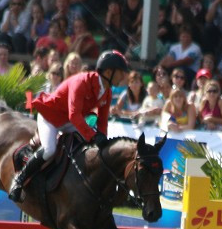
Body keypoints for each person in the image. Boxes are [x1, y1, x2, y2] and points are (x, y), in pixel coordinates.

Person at [8, 50, 130, 202]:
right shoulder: (82, 82)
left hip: (70, 122)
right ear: (108, 71)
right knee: (49, 149)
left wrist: (102, 140)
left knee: (89, 149)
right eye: (121, 72)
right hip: (50, 117)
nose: (124, 77)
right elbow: (74, 114)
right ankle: (19, 180)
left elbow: (102, 122)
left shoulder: (107, 92)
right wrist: (92, 135)